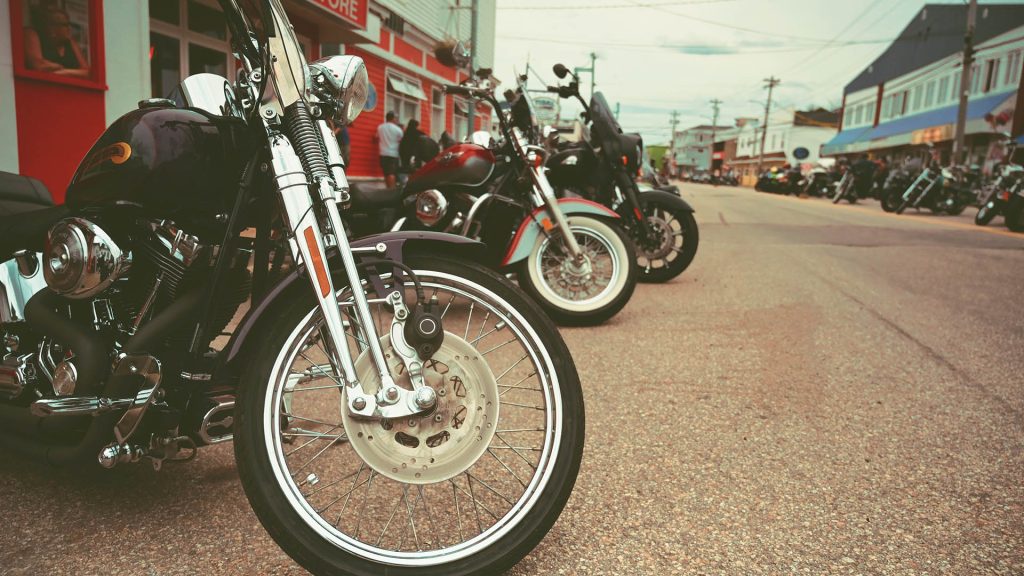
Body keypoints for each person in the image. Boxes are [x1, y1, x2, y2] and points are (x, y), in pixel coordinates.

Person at [23, 4, 89, 77]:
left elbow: (87, 71)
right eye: (65, 24)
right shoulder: (32, 34)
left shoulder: (70, 41)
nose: (69, 28)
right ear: (51, 27)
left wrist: (63, 71)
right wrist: (74, 72)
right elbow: (38, 65)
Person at [374, 111, 403, 188]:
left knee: (386, 173)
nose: (397, 120)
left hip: (383, 153)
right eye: (396, 118)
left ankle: (388, 190)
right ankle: (392, 192)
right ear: (393, 118)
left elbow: (376, 137)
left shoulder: (380, 127)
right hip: (393, 154)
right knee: (392, 173)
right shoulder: (398, 129)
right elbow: (401, 141)